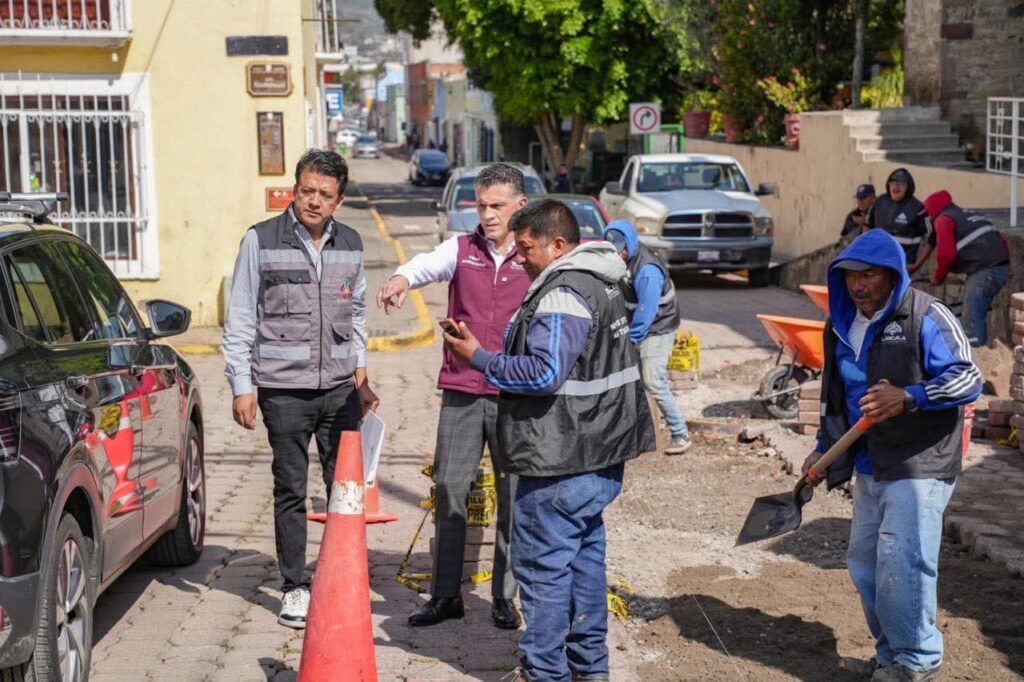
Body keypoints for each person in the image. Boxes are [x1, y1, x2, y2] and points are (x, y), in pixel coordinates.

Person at [443, 200, 656, 682]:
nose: (518, 258)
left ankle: (544, 672)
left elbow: (544, 372)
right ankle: (590, 671)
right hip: (598, 454)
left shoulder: (563, 291)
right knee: (584, 567)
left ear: (557, 244)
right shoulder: (604, 279)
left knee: (543, 573)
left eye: (525, 249)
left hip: (560, 458)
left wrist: (479, 357)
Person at [802, 228, 980, 682]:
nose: (858, 285)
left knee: (903, 561)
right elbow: (836, 396)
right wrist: (823, 448)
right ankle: (891, 655)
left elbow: (968, 378)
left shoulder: (925, 315)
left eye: (869, 276)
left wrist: (910, 396)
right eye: (850, 276)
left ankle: (917, 659)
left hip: (920, 461)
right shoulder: (840, 325)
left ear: (893, 275)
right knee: (865, 564)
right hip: (870, 462)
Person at [222, 149, 380, 629]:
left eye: (325, 195)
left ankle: (341, 577)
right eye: (307, 191)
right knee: (290, 488)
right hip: (283, 390)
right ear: (295, 190)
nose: (314, 201)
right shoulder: (260, 239)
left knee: (344, 489)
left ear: (339, 200)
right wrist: (242, 386)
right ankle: (294, 586)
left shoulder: (351, 243)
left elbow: (356, 314)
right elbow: (241, 315)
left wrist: (361, 377)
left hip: (339, 390)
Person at [376, 163, 531, 629]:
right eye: (481, 205)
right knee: (448, 488)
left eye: (497, 205)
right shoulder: (462, 249)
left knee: (514, 494)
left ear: (520, 205)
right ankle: (446, 595)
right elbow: (423, 265)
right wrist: (400, 280)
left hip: (516, 394)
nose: (487, 214)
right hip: (462, 391)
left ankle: (505, 597)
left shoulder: (533, 255)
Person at [604, 219, 690, 454]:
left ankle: (680, 433)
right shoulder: (621, 261)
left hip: (657, 327)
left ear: (629, 244)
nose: (618, 253)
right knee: (634, 381)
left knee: (653, 382)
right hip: (638, 325)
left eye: (621, 249)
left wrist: (631, 340)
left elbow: (646, 311)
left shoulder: (647, 270)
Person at [913, 190, 1010, 347]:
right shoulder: (969, 215)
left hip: (984, 271)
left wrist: (938, 276)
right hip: (1000, 268)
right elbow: (1002, 241)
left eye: (929, 214)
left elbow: (946, 255)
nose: (929, 218)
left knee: (971, 325)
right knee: (974, 312)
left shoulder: (943, 220)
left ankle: (975, 357)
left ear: (934, 210)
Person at [865, 168, 930, 264]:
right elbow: (867, 226)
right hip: (877, 261)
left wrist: (917, 264)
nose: (896, 186)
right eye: (893, 183)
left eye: (901, 184)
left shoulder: (919, 208)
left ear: (909, 187)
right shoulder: (879, 201)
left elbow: (931, 239)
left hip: (902, 265)